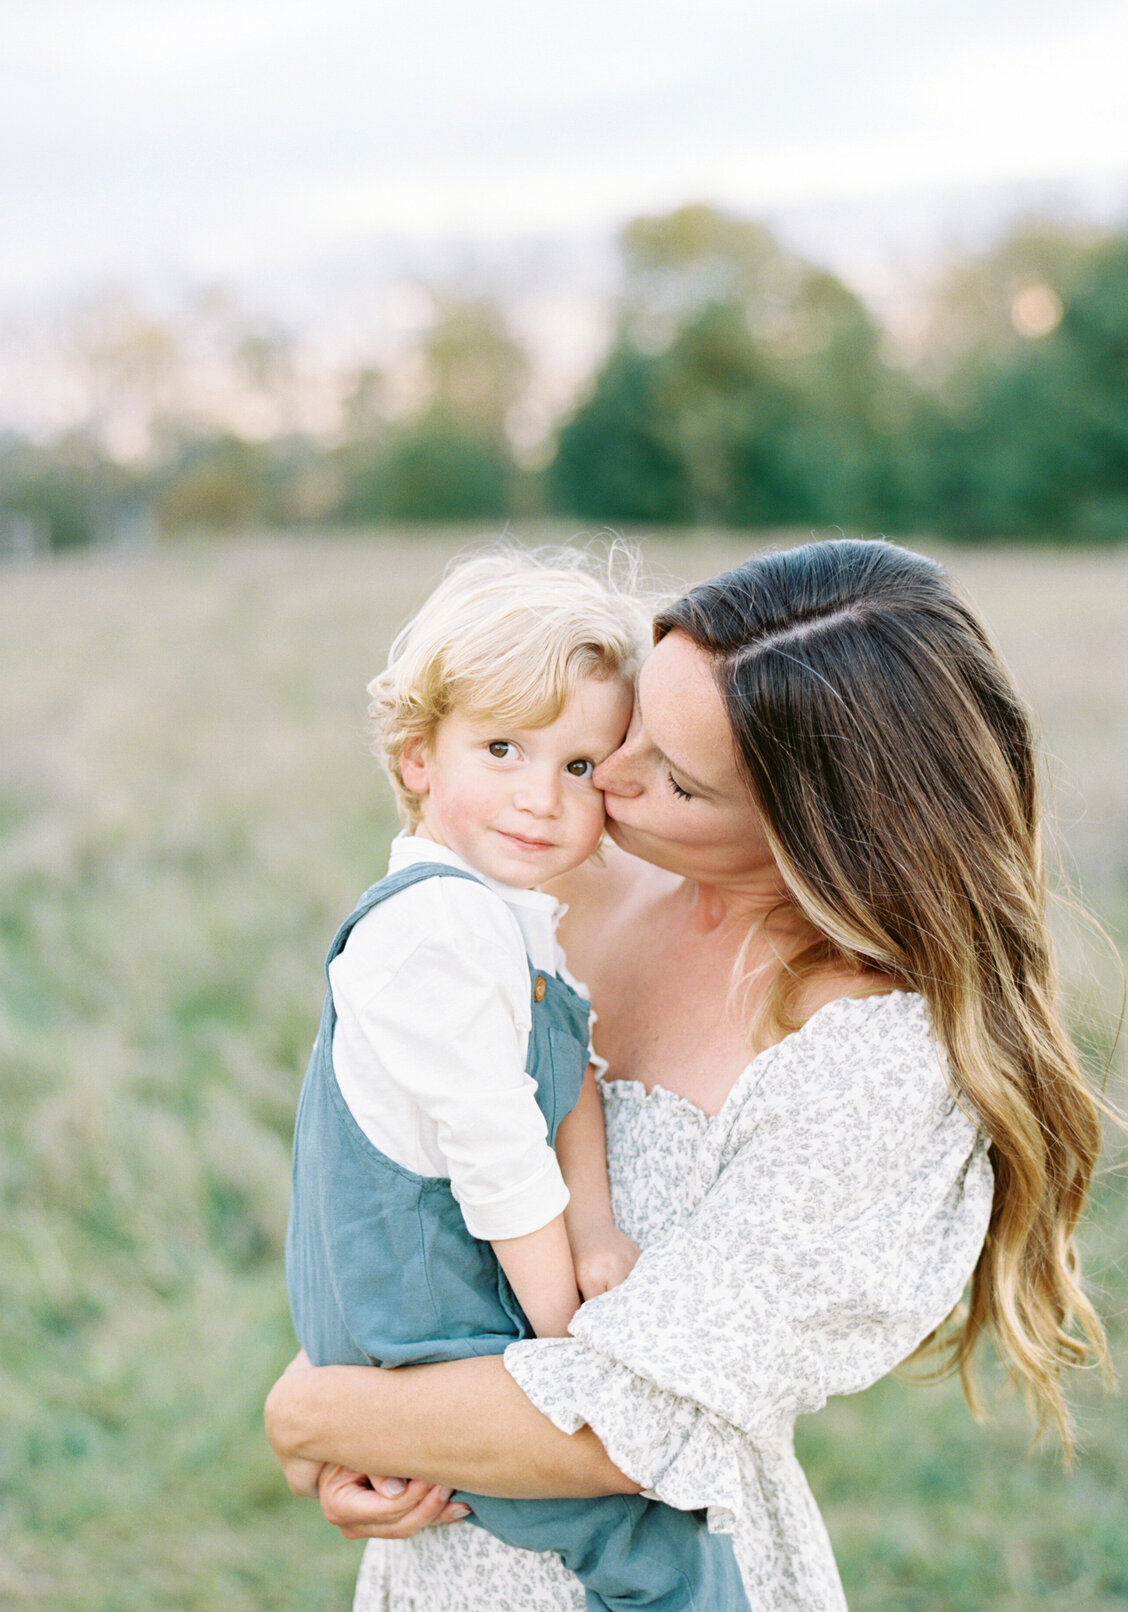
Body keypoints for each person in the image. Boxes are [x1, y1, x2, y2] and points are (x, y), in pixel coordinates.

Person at [267, 538, 1109, 1612]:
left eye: (670, 775)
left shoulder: (875, 1062)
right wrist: (355, 1397)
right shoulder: (552, 884)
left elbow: (626, 1423)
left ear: (817, 833)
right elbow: (388, 1166)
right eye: (630, 727)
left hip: (658, 1576)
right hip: (439, 1559)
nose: (605, 780)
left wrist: (310, 1412)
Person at [284, 549, 750, 1610]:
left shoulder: (511, 917)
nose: (543, 798)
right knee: (659, 1551)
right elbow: (500, 1159)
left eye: (582, 766)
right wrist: (565, 1344)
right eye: (502, 748)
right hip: (422, 1329)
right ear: (415, 757)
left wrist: (594, 1232)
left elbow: (569, 1072)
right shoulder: (440, 930)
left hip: (446, 1312)